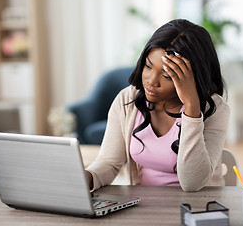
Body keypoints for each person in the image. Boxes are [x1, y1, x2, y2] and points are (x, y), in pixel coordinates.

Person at [85, 19, 230, 192]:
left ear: (193, 77)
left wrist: (192, 107)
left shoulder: (214, 110)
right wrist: (87, 177)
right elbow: (109, 163)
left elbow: (193, 183)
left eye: (167, 75)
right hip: (144, 207)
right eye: (148, 66)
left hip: (197, 209)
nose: (151, 81)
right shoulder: (127, 100)